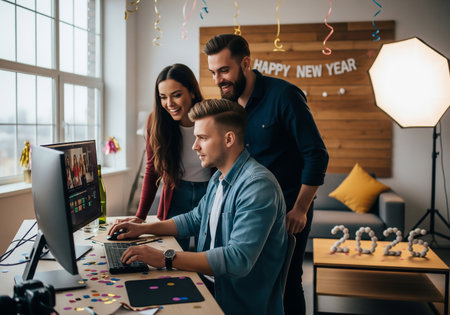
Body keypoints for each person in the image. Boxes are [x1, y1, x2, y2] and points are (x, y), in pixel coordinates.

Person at [109, 99, 288, 315]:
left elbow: (237, 259)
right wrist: (144, 227)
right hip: (206, 285)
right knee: (126, 299)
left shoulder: (257, 186)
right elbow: (195, 219)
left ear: (229, 139)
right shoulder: (219, 178)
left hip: (234, 304)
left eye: (202, 138)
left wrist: (165, 257)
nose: (195, 146)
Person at [204, 34, 329, 315]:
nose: (217, 80)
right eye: (213, 72)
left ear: (245, 63)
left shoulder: (284, 96)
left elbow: (317, 154)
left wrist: (301, 209)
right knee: (249, 279)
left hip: (288, 213)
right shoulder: (229, 104)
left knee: (287, 281)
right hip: (246, 211)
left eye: (224, 70)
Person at [115, 64, 211, 250]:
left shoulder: (211, 118)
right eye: (163, 97)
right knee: (171, 254)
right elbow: (152, 169)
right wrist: (140, 216)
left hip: (209, 192)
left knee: (206, 254)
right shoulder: (156, 122)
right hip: (176, 193)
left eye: (176, 95)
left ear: (192, 92)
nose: (169, 103)